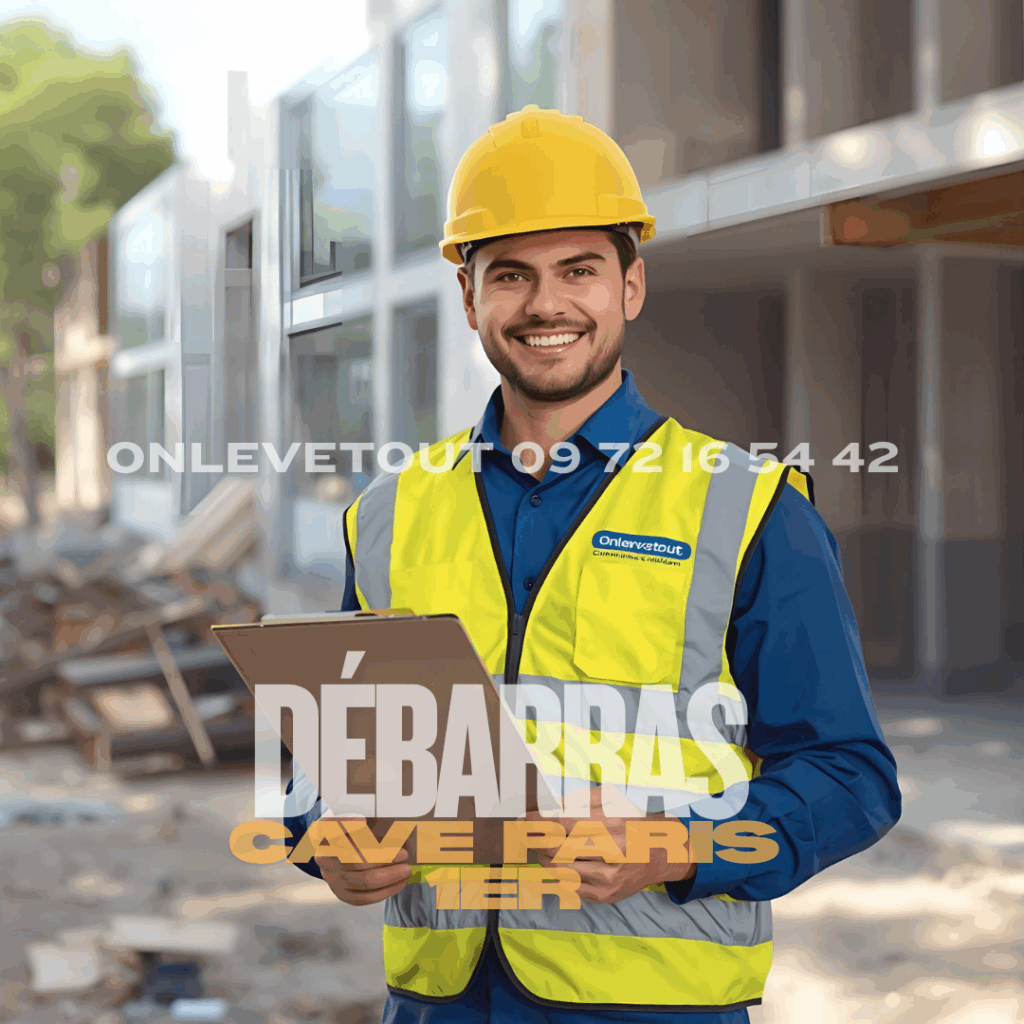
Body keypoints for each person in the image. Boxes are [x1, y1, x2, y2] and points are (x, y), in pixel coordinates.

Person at [281, 105, 901, 1023]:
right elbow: (327, 753)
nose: (545, 305)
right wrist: (323, 836)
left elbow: (852, 777)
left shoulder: (750, 509)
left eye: (579, 270)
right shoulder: (390, 514)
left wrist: (679, 843)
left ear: (631, 286)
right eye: (511, 275)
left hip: (654, 1009)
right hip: (437, 1006)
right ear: (469, 298)